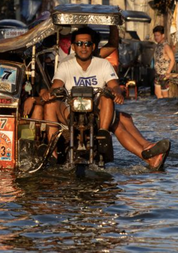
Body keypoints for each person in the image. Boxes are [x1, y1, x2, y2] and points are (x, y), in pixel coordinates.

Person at [45, 27, 171, 171]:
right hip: (70, 111)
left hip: (96, 113)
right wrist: (50, 93)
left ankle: (105, 134)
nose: (83, 47)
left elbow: (114, 85)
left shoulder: (103, 64)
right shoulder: (65, 65)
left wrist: (116, 93)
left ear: (93, 46)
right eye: (79, 44)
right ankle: (52, 153)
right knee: (122, 119)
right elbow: (56, 86)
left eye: (87, 44)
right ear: (73, 46)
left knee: (111, 104)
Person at [152, 25, 174, 99]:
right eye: (155, 35)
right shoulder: (157, 46)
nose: (156, 37)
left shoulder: (166, 46)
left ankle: (166, 110)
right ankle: (160, 110)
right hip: (158, 74)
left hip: (164, 74)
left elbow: (172, 60)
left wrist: (168, 72)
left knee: (165, 96)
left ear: (163, 35)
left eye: (158, 35)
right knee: (157, 94)